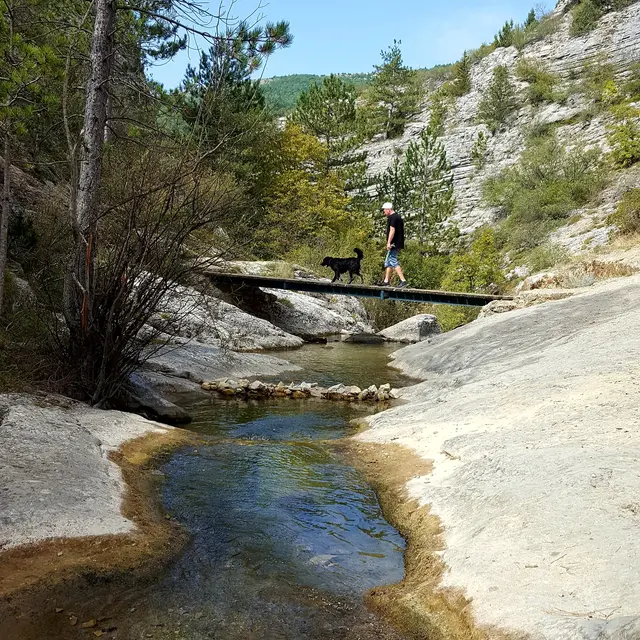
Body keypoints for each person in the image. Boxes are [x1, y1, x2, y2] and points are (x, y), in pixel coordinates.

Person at [381, 202, 408, 288]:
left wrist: (388, 242)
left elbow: (392, 230)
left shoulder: (392, 218)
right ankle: (386, 281)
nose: (384, 212)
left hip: (394, 243)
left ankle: (403, 280)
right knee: (389, 261)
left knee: (392, 260)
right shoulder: (398, 217)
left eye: (384, 210)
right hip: (398, 242)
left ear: (388, 209)